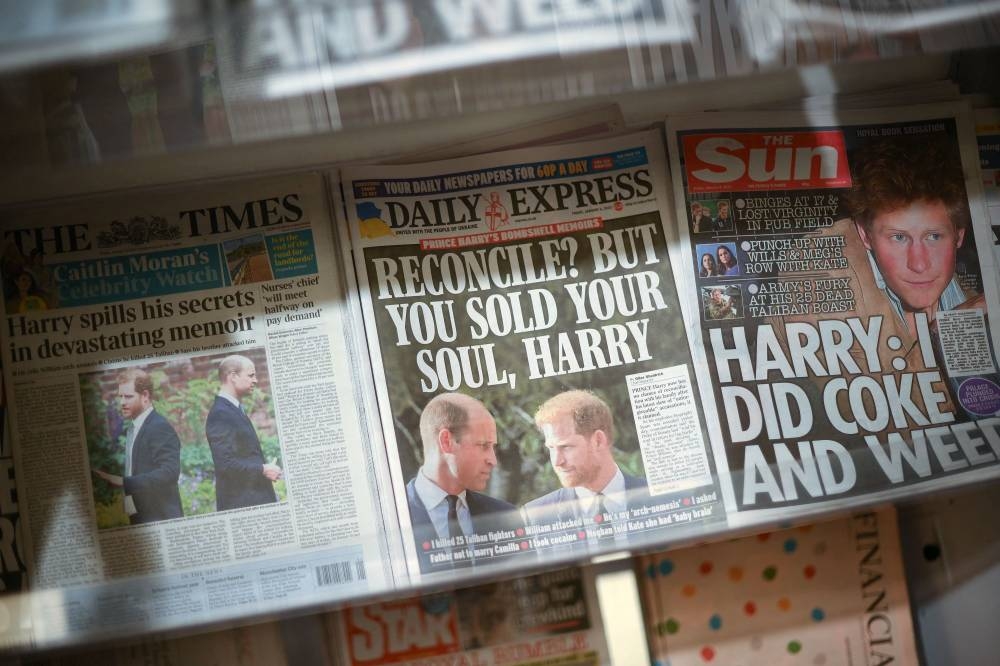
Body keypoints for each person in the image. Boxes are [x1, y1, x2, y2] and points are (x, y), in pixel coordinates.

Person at [846, 137, 982, 336]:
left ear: (959, 235)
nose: (919, 265)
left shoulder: (980, 304)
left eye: (934, 236)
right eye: (899, 238)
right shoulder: (836, 289)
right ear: (865, 235)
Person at [405, 393, 522, 570]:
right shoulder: (393, 519)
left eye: (493, 447)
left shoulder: (506, 517)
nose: (493, 460)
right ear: (446, 441)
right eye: (483, 445)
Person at [522, 390, 648, 534]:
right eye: (551, 448)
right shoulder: (534, 517)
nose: (557, 461)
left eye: (566, 447)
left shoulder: (662, 496)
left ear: (598, 441)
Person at [94, 368, 183, 525]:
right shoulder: (134, 427)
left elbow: (170, 472)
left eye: (128, 396)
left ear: (145, 396)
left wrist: (124, 482)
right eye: (120, 396)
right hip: (141, 516)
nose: (122, 402)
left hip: (161, 519)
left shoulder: (158, 426)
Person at [206, 355, 282, 511]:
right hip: (242, 504)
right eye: (251, 375)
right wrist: (263, 469)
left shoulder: (233, 408)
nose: (256, 380)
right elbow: (225, 465)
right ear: (233, 376)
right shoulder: (220, 413)